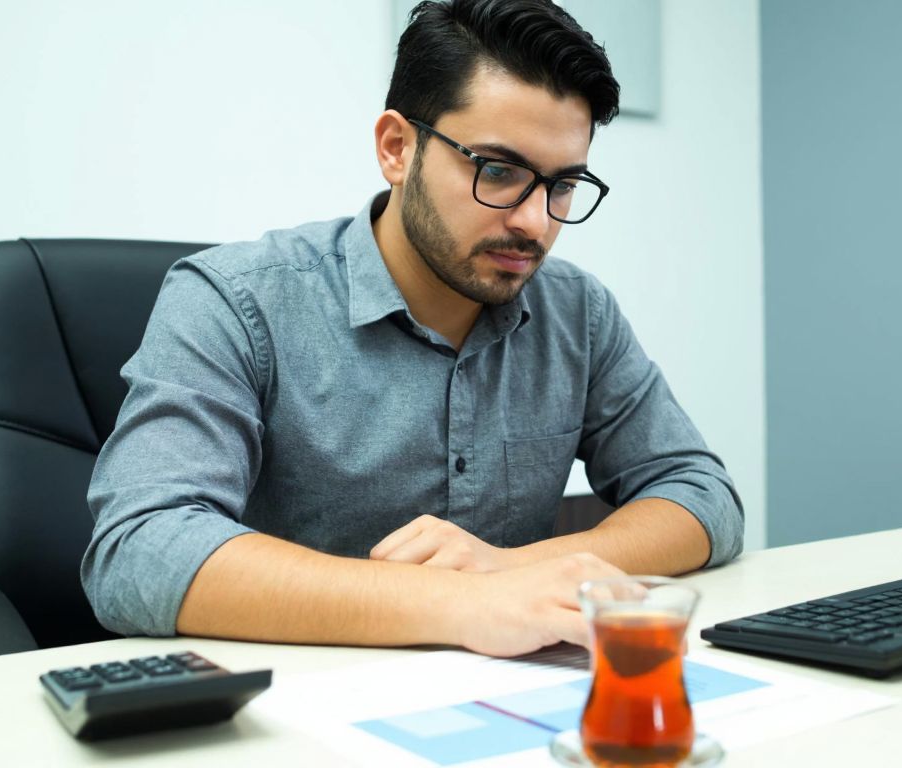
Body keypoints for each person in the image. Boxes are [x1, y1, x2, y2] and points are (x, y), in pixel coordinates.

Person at [82, 0, 743, 658]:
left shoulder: (578, 313)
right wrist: (461, 604)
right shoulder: (235, 300)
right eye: (499, 171)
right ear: (397, 149)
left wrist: (518, 570)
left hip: (514, 702)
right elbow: (138, 550)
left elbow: (701, 494)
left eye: (562, 185)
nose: (536, 223)